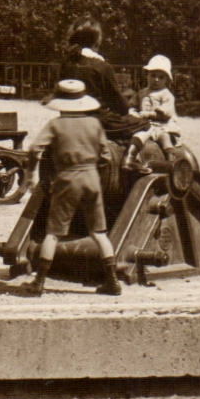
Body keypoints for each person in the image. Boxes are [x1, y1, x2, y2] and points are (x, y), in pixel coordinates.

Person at [23, 79, 123, 297]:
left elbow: (33, 150)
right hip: (92, 178)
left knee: (53, 234)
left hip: (67, 179)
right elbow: (105, 156)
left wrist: (30, 173)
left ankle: (39, 282)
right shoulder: (95, 124)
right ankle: (112, 281)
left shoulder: (56, 125)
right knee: (98, 232)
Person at [56, 20, 143, 140]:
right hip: (98, 123)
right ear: (97, 41)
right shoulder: (101, 66)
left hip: (68, 118)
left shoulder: (66, 63)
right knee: (144, 124)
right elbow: (120, 106)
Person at [124, 54, 180, 171]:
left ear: (167, 80)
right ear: (147, 75)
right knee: (138, 137)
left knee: (165, 138)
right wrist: (133, 112)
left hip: (162, 126)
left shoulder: (167, 95)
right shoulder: (142, 92)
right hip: (145, 125)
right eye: (153, 75)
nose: (156, 80)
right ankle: (130, 158)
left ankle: (171, 161)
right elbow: (132, 105)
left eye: (161, 77)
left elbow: (166, 114)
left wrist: (147, 114)